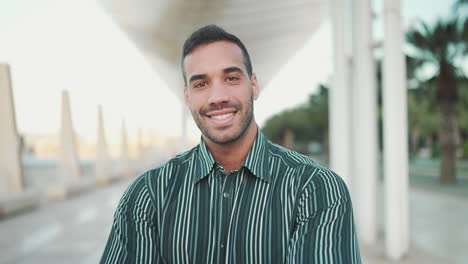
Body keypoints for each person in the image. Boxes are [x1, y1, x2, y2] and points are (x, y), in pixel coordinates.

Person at [100, 24, 361, 263]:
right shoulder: (148, 195)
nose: (218, 97)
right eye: (201, 83)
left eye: (232, 78)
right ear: (187, 96)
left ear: (254, 85)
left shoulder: (315, 189)